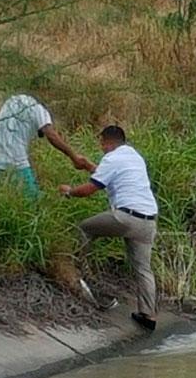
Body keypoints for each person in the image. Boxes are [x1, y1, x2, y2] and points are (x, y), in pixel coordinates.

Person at [58, 125, 159, 331]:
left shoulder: (112, 158)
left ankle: (75, 271)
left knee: (85, 228)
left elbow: (90, 189)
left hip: (126, 217)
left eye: (102, 143)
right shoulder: (134, 156)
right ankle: (148, 315)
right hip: (148, 221)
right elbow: (111, 176)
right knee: (143, 269)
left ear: (108, 142)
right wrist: (88, 166)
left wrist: (69, 192)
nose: (101, 147)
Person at [0, 93, 91, 197]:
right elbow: (51, 134)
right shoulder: (38, 108)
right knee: (33, 204)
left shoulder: (12, 101)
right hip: (14, 163)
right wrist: (74, 157)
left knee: (7, 198)